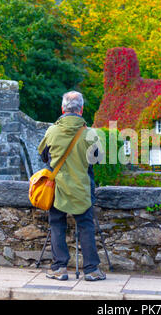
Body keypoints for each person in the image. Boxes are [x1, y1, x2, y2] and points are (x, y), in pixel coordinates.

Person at [37, 91, 106, 281]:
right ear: (81, 110)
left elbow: (43, 156)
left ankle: (59, 268)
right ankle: (91, 270)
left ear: (62, 108)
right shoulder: (89, 134)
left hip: (57, 187)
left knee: (57, 225)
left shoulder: (52, 131)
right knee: (85, 226)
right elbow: (98, 159)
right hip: (82, 188)